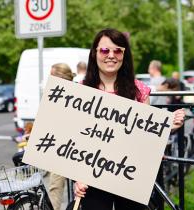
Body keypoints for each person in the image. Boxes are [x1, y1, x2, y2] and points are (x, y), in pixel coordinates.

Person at [74, 28, 185, 210]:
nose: (111, 55)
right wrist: (77, 177)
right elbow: (74, 138)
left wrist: (166, 127)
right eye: (104, 50)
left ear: (124, 55)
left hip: (130, 176)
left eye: (118, 50)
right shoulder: (80, 90)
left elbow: (146, 138)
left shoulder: (139, 90)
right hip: (92, 178)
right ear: (94, 54)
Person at [49, 63, 76, 210]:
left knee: (80, 190)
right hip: (59, 149)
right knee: (55, 186)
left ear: (60, 77)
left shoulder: (76, 95)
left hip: (74, 149)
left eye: (51, 76)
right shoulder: (53, 94)